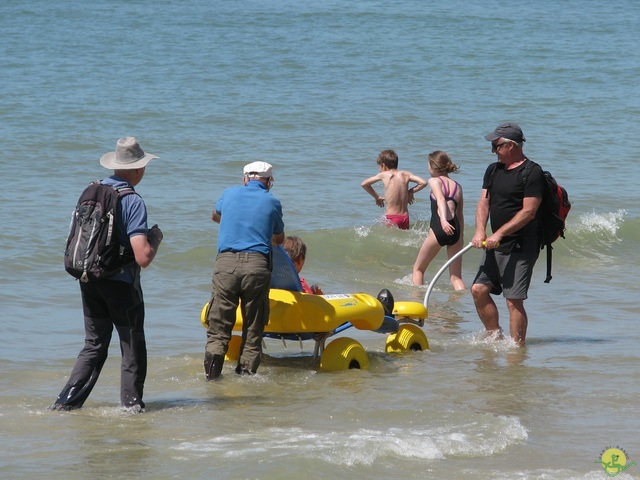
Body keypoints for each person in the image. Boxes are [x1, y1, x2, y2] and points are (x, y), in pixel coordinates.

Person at [49, 137, 163, 413]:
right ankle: (131, 406)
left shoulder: (92, 190)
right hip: (121, 284)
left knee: (94, 344)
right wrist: (155, 239)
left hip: (89, 278)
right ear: (138, 169)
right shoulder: (132, 200)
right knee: (131, 342)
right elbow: (142, 257)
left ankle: (65, 404)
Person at [204, 161, 285, 379]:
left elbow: (214, 216)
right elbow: (279, 239)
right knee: (254, 327)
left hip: (225, 265)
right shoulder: (273, 202)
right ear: (268, 182)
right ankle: (247, 379)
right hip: (257, 267)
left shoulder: (228, 194)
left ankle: (212, 380)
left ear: (245, 179)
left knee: (219, 327)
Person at [470, 123, 544, 346]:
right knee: (478, 289)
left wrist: (499, 233)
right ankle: (495, 335)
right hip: (495, 243)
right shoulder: (493, 170)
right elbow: (484, 202)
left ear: (511, 145)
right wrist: (481, 230)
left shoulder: (532, 172)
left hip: (521, 246)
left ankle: (516, 348)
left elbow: (529, 211)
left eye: (496, 146)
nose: (493, 151)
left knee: (513, 300)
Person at [412, 151, 465, 290]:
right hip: (456, 231)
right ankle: (462, 306)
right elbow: (460, 215)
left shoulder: (434, 181)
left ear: (433, 166)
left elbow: (441, 199)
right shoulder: (458, 186)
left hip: (440, 228)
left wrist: (443, 220)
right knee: (456, 277)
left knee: (418, 270)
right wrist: (461, 237)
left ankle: (417, 302)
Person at [361, 149, 428, 230]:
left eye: (379, 167)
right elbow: (423, 182)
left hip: (392, 217)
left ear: (383, 165)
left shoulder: (384, 175)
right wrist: (410, 192)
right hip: (405, 217)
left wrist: (377, 197)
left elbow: (364, 184)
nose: (379, 170)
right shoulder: (405, 174)